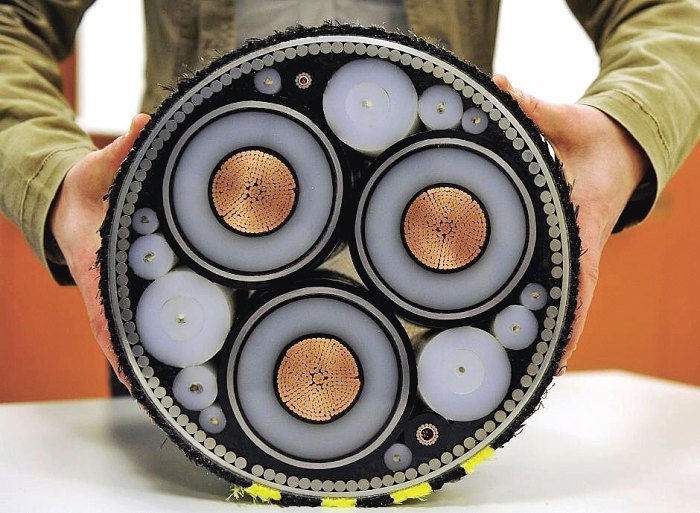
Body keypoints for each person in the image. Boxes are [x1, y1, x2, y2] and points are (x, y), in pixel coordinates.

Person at [1, 1, 698, 386]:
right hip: (186, 320)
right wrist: (52, 182)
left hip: (441, 315)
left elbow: (670, 12)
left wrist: (624, 130)